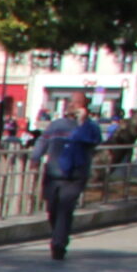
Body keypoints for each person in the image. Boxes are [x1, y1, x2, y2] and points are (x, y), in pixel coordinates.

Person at [35, 93, 102, 260]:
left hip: (75, 175)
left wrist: (82, 122)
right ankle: (58, 235)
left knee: (65, 208)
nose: (73, 105)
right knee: (52, 209)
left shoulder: (91, 127)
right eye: (72, 102)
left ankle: (58, 243)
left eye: (78, 103)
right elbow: (43, 140)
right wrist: (35, 157)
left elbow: (91, 141)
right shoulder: (57, 125)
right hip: (53, 172)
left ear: (85, 107)